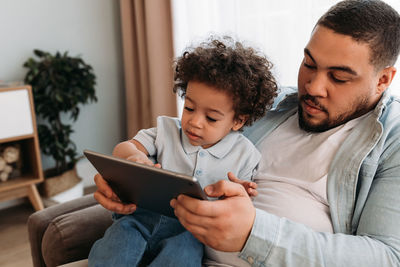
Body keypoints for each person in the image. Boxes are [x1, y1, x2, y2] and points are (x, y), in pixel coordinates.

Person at [94, 0, 400, 266]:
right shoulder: (266, 105)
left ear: (383, 79)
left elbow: (387, 257)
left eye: (338, 77)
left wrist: (254, 234)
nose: (313, 87)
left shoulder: (392, 139)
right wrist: (123, 179)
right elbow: (179, 152)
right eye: (309, 64)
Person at [88, 37, 278, 267]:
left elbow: (237, 204)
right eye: (189, 108)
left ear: (238, 121)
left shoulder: (245, 154)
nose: (195, 122)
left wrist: (242, 191)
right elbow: (125, 147)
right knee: (113, 251)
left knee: (182, 258)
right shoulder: (167, 131)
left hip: (188, 231)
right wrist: (134, 156)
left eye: (211, 118)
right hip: (138, 218)